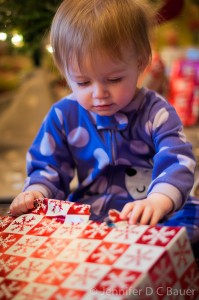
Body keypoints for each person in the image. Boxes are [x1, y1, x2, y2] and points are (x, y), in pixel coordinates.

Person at [9, 0, 199, 244]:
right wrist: (36, 192)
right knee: (50, 228)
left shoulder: (156, 112)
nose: (99, 93)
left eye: (114, 79)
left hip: (152, 207)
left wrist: (159, 200)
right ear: (64, 71)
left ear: (140, 62)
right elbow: (48, 166)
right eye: (83, 82)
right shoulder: (63, 115)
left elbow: (177, 161)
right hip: (92, 209)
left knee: (191, 221)